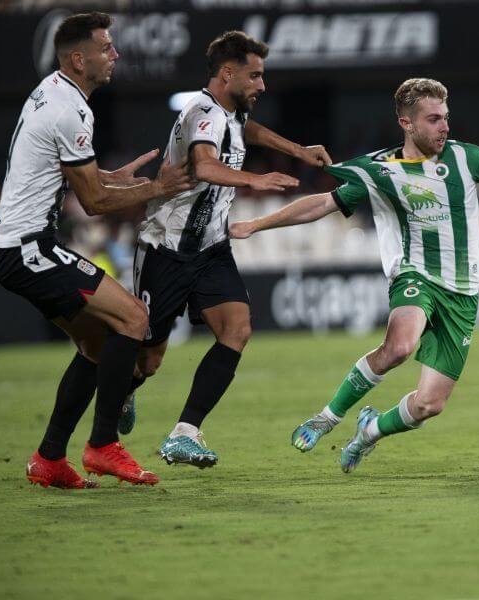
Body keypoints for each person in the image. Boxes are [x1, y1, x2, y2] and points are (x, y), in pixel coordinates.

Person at [229, 78, 479, 473]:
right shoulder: (379, 171)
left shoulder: (466, 158)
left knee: (429, 405)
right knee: (401, 346)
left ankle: (370, 430)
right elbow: (322, 203)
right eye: (433, 119)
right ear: (406, 123)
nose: (444, 127)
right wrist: (255, 224)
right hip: (415, 275)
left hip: (463, 290)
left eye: (446, 118)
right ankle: (327, 417)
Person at [0, 12, 194, 488]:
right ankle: (102, 447)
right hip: (28, 248)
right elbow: (94, 203)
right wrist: (155, 188)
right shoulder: (72, 109)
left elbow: (75, 176)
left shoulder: (52, 90)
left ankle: (49, 459)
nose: (115, 54)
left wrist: (110, 176)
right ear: (79, 59)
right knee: (134, 320)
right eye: (106, 47)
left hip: (19, 245)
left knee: (99, 345)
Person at [125, 31, 332, 468]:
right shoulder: (202, 111)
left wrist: (296, 150)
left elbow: (247, 131)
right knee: (149, 360)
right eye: (254, 76)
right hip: (167, 247)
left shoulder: (231, 112)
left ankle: (184, 433)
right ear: (227, 73)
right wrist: (256, 180)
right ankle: (118, 399)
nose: (262, 85)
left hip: (211, 248)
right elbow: (203, 164)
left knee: (236, 329)